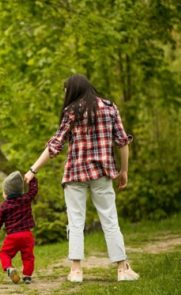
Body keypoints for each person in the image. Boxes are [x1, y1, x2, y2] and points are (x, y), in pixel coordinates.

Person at [24, 74, 139, 282]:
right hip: (102, 173)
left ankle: (76, 271)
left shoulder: (71, 111)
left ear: (73, 90)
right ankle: (123, 269)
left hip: (75, 174)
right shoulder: (109, 107)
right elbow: (122, 142)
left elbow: (55, 145)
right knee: (110, 219)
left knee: (75, 222)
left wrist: (33, 169)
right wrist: (124, 171)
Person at [0, 171, 38, 284]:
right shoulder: (25, 199)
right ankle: (27, 276)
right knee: (28, 257)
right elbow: (33, 191)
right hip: (27, 235)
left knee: (4, 253)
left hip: (12, 236)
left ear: (6, 193)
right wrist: (32, 179)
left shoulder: (4, 206)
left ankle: (9, 268)